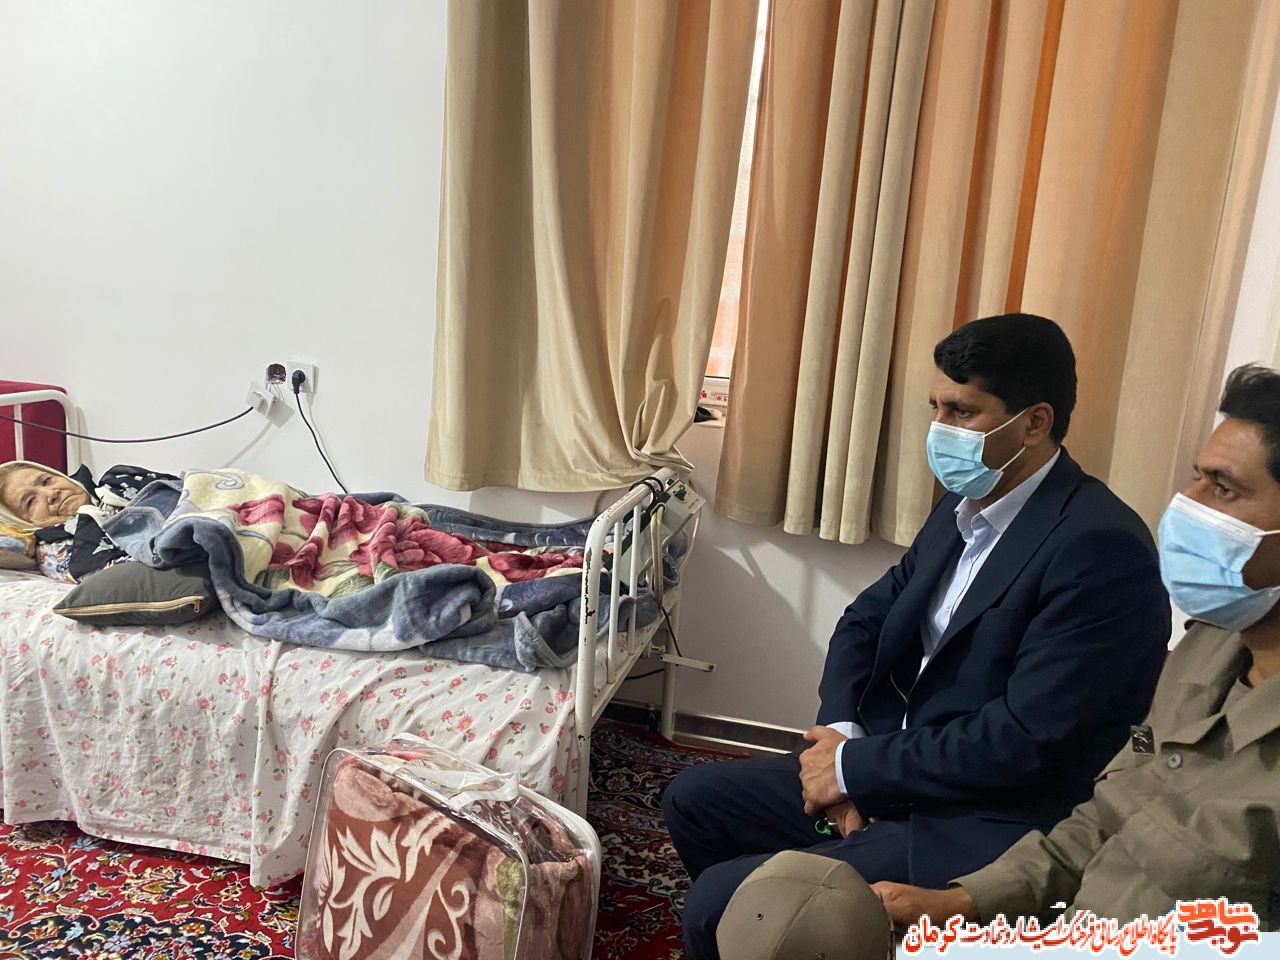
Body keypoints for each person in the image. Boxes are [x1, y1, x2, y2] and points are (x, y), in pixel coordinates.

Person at [663, 314, 1171, 959]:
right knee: (695, 801)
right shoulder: (962, 507)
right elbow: (865, 621)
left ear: (1035, 423)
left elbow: (1024, 741)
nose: (940, 429)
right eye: (936, 407)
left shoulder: (1098, 548)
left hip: (983, 812)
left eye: (962, 412)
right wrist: (842, 739)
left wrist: (852, 772)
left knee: (721, 901)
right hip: (896, 765)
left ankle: (799, 920)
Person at [870, 363, 1280, 931]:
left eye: (1224, 488)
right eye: (1197, 478)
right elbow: (1104, 816)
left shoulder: (1095, 542)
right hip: (1066, 917)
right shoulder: (1209, 650)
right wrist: (964, 902)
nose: (1187, 503)